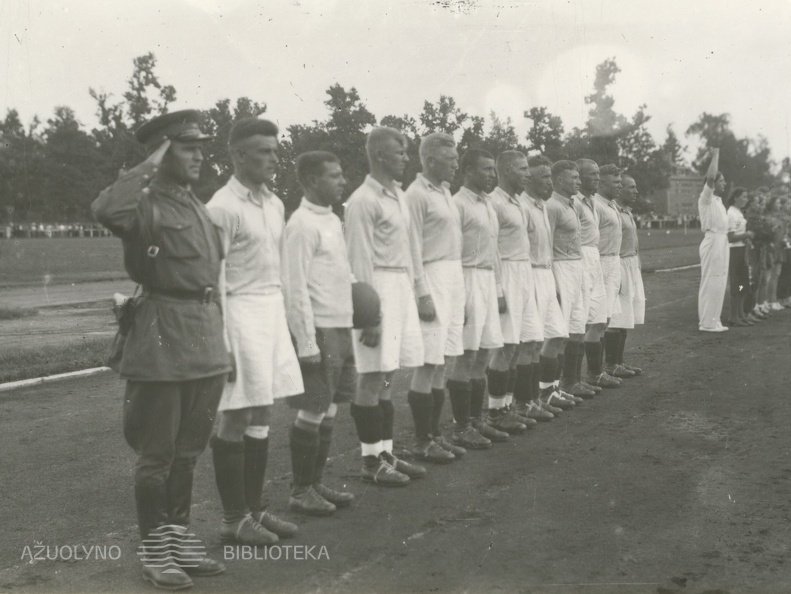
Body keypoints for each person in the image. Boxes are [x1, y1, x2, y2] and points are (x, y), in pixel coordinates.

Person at [92, 110, 229, 590]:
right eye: (188, 146)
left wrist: (222, 348)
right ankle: (155, 553)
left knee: (188, 454)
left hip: (203, 337)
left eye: (200, 146)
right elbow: (107, 210)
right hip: (162, 338)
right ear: (163, 152)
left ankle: (178, 542)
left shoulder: (194, 202)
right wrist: (149, 163)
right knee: (158, 456)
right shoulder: (145, 203)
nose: (199, 154)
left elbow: (209, 277)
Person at [207, 117, 301, 546]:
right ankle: (233, 519)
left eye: (275, 150)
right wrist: (221, 342)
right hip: (239, 315)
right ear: (238, 155)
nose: (273, 158)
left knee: (263, 411)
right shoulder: (222, 207)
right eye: (264, 151)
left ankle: (255, 510)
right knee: (236, 414)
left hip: (271, 312)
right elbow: (212, 282)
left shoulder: (276, 203)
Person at [344, 126, 426, 486]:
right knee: (371, 375)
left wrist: (415, 291)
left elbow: (409, 250)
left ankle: (386, 451)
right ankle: (369, 461)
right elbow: (358, 260)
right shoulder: (363, 200)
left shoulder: (398, 196)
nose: (407, 158)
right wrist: (369, 313)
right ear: (379, 155)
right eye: (401, 151)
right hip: (376, 286)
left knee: (389, 374)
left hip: (400, 285)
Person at [282, 151, 358, 514]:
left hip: (341, 326)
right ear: (312, 181)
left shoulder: (332, 220)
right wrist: (306, 341)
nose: (343, 181)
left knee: (328, 411)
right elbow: (294, 289)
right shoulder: (301, 225)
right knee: (313, 411)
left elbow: (341, 272)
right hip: (320, 331)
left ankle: (315, 484)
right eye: (335, 175)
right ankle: (300, 492)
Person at [404, 132, 467, 464]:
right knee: (429, 361)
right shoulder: (416, 195)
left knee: (444, 360)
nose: (457, 164)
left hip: (454, 277)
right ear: (430, 160)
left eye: (457, 158)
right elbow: (412, 247)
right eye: (451, 158)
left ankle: (436, 435)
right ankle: (421, 440)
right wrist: (421, 293)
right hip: (432, 278)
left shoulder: (445, 192)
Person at [447, 148, 509, 448]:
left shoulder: (488, 204)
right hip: (466, 277)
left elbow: (495, 251)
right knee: (466, 354)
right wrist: (458, 297)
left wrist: (498, 290)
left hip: (486, 278)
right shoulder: (457, 204)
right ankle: (461, 428)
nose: (492, 175)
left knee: (484, 352)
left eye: (493, 170)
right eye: (485, 169)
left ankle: (476, 421)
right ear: (468, 170)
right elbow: (450, 254)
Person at [486, 150, 540, 432]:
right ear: (506, 171)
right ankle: (495, 412)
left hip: (524, 272)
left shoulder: (518, 202)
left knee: (522, 343)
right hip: (506, 271)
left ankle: (511, 405)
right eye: (522, 169)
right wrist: (497, 289)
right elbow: (492, 248)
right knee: (506, 345)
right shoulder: (494, 202)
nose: (528, 174)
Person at [519, 155, 570, 421]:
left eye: (551, 176)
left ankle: (548, 390)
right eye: (545, 177)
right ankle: (527, 401)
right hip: (529, 275)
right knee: (531, 341)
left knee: (558, 334)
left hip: (546, 275)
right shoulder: (523, 206)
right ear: (529, 179)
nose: (550, 182)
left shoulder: (542, 206)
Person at [543, 160, 586, 412]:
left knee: (576, 327)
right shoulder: (552, 206)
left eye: (579, 177)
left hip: (576, 268)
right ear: (559, 180)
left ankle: (566, 384)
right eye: (573, 177)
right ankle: (548, 388)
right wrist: (552, 281)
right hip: (559, 268)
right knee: (557, 333)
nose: (578, 181)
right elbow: (545, 245)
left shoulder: (572, 205)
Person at [605, 174, 645, 375]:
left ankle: (619, 362)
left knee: (626, 315)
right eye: (631, 187)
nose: (635, 191)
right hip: (618, 264)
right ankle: (611, 365)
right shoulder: (614, 213)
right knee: (616, 317)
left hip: (630, 265)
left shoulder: (626, 212)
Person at [593, 164, 628, 378]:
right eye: (615, 182)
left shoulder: (611, 205)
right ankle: (597, 371)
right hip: (601, 262)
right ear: (603, 183)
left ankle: (609, 366)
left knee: (608, 318)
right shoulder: (596, 205)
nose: (619, 186)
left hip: (614, 262)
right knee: (598, 319)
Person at [697, 148, 730, 332]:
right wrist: (716, 155)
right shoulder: (706, 198)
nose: (724, 183)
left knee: (720, 280)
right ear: (713, 184)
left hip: (722, 242)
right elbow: (710, 178)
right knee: (712, 280)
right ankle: (707, 322)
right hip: (712, 242)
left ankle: (714, 319)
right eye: (722, 180)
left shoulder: (719, 202)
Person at [725, 187, 756, 326]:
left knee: (743, 284)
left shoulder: (738, 213)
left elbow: (738, 233)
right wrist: (747, 235)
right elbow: (731, 237)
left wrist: (746, 239)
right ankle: (733, 316)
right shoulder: (731, 214)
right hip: (734, 252)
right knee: (736, 283)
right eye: (743, 196)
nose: (746, 199)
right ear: (736, 197)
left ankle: (741, 314)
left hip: (742, 249)